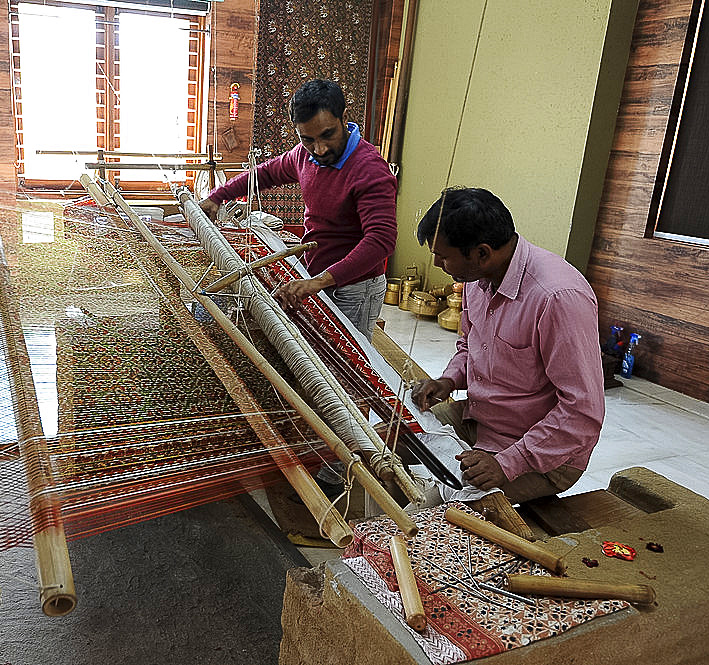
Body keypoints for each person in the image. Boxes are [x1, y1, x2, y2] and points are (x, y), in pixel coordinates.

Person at [410, 187, 605, 504]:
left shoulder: (558, 298)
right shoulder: (478, 279)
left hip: (540, 450)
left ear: (482, 253)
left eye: (443, 256)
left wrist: (506, 463)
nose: (436, 263)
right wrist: (448, 380)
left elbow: (583, 411)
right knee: (389, 439)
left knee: (436, 507)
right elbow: (469, 346)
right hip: (480, 419)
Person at [199, 79, 397, 337]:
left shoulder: (369, 170)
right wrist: (218, 196)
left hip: (353, 287)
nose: (320, 149)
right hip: (318, 273)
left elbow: (381, 241)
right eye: (308, 139)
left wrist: (320, 281)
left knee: (346, 365)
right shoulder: (306, 156)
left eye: (327, 135)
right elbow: (265, 173)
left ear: (344, 118)